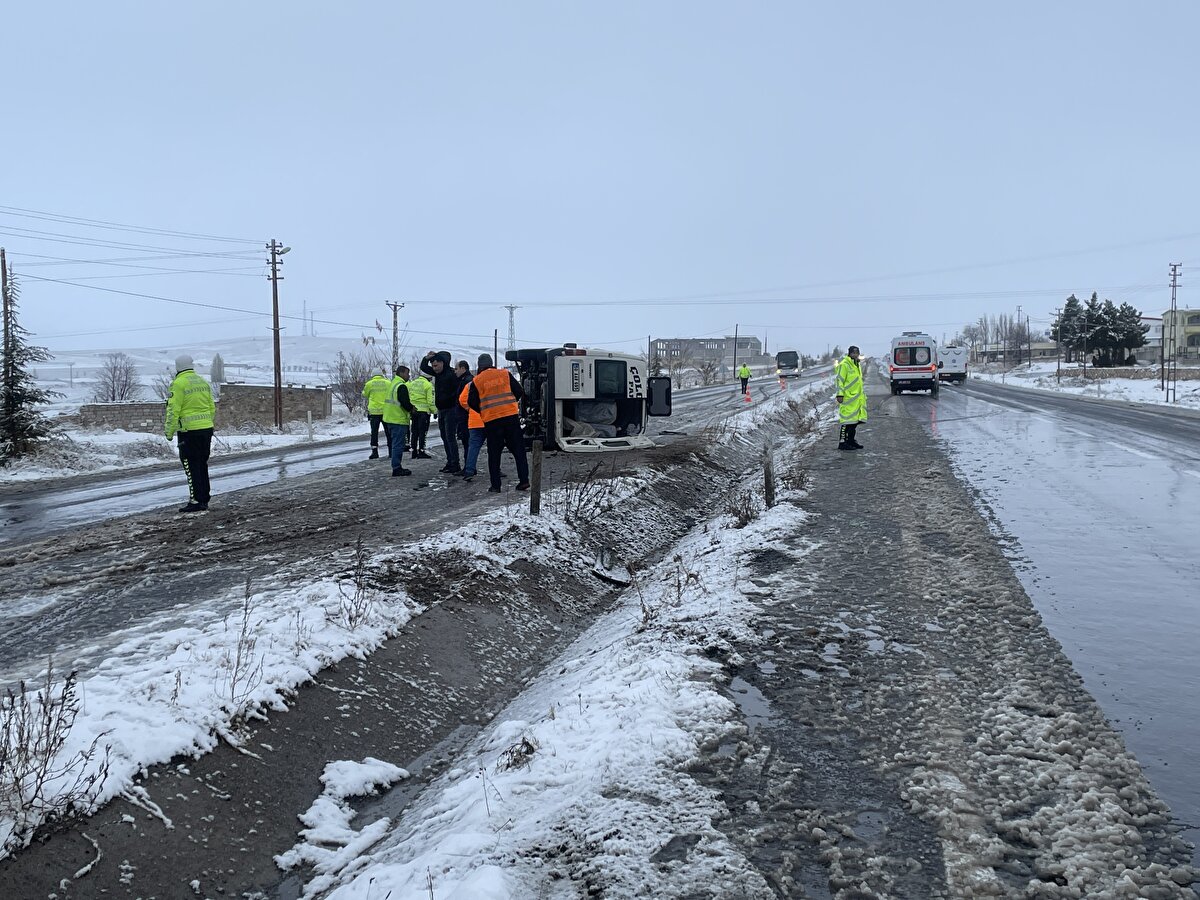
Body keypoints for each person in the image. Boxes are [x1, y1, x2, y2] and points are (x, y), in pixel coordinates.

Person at [467, 353, 530, 493]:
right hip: (510, 418)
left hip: (492, 421)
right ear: (491, 363)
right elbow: (519, 391)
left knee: (494, 454)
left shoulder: (477, 381)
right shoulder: (505, 374)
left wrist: (484, 409)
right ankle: (524, 481)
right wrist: (510, 403)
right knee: (519, 451)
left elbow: (471, 402)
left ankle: (496, 486)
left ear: (479, 366)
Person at [164, 354, 215, 513]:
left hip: (189, 432)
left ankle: (195, 501)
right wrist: (207, 424)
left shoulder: (178, 384)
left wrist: (169, 431)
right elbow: (211, 407)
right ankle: (204, 498)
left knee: (191, 466)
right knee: (201, 464)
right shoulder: (203, 382)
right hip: (206, 429)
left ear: (178, 366)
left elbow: (173, 410)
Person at [419, 350, 462, 474]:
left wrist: (453, 402)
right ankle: (450, 461)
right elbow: (423, 367)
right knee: (444, 436)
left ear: (443, 362)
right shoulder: (437, 374)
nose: (434, 366)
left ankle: (455, 463)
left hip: (451, 409)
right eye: (433, 364)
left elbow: (458, 391)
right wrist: (427, 358)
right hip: (442, 409)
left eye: (436, 364)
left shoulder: (451, 374)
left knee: (450, 437)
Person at [383, 365, 416, 476]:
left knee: (394, 443)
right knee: (398, 444)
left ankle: (396, 465)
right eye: (407, 373)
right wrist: (412, 409)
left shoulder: (393, 383)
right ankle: (396, 468)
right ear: (401, 373)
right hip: (398, 419)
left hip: (389, 418)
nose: (408, 376)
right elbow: (405, 403)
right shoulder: (401, 386)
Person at [835, 345, 867, 451]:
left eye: (857, 353)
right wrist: (840, 394)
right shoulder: (844, 365)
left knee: (854, 422)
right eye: (853, 353)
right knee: (846, 421)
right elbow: (840, 380)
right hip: (847, 398)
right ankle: (842, 442)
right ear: (849, 353)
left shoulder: (856, 365)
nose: (855, 355)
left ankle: (851, 440)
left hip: (857, 398)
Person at [457, 377, 487, 482]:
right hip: (490, 419)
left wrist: (469, 408)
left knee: (473, 447)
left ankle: (469, 471)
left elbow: (462, 399)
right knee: (494, 447)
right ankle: (496, 470)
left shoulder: (470, 384)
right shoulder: (490, 383)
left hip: (474, 421)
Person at [362, 367, 392, 460]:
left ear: (372, 375)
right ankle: (391, 451)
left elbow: (365, 394)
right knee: (388, 432)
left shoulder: (369, 384)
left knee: (374, 432)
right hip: (386, 411)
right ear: (381, 374)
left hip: (374, 412)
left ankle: (374, 452)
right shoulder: (388, 383)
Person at [406, 372, 436, 460]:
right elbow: (430, 401)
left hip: (414, 411)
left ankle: (414, 451)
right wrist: (434, 411)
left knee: (414, 432)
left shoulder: (412, 383)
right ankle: (421, 451)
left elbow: (409, 396)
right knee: (423, 432)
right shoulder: (428, 385)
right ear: (429, 377)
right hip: (424, 412)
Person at [454, 360, 473, 462]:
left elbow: (466, 400)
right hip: (464, 416)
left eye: (456, 369)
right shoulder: (463, 379)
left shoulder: (467, 380)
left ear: (463, 368)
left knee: (468, 443)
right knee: (466, 442)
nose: (455, 371)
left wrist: (467, 410)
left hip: (466, 417)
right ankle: (468, 466)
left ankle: (468, 466)